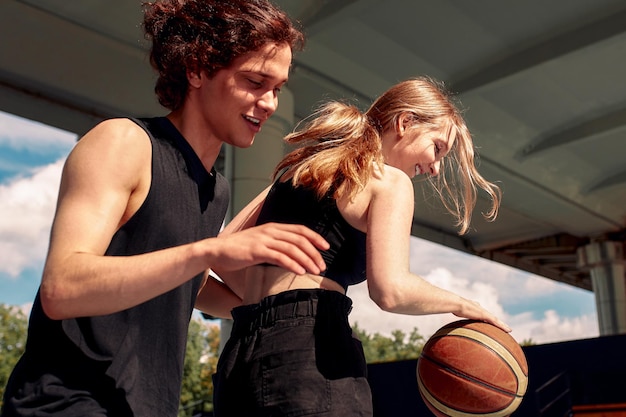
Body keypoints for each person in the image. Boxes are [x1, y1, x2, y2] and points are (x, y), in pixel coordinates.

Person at [0, 1, 331, 416]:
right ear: (196, 69)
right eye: (254, 81)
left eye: (277, 88)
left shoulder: (217, 190)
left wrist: (287, 309)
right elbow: (61, 289)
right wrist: (209, 252)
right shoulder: (123, 142)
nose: (269, 103)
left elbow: (182, 286)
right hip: (65, 404)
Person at [211, 76, 511, 416]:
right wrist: (461, 304)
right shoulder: (390, 180)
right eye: (437, 147)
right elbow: (391, 291)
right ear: (405, 121)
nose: (435, 168)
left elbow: (222, 256)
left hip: (239, 359)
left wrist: (270, 309)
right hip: (311, 354)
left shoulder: (302, 169)